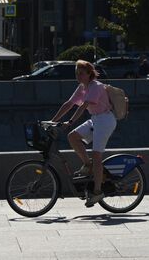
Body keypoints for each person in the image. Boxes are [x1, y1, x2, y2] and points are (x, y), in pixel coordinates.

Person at [49, 59, 115, 207]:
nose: (78, 76)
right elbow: (69, 104)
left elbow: (84, 106)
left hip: (105, 120)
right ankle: (87, 164)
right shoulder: (82, 87)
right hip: (95, 119)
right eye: (77, 73)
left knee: (97, 155)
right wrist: (52, 121)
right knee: (73, 137)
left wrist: (70, 122)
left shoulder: (96, 86)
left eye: (81, 73)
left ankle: (97, 192)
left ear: (89, 74)